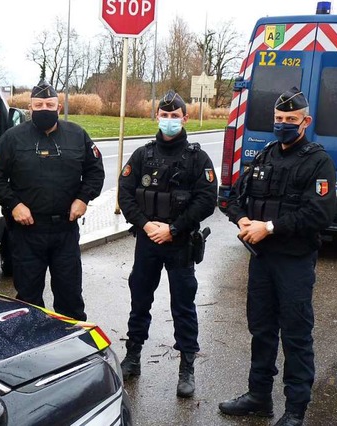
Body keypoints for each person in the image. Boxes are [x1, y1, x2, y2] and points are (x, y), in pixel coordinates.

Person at [218, 87, 336, 426]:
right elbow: (234, 196)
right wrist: (242, 219)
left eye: (290, 119)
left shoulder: (318, 161)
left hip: (294, 262)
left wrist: (268, 226)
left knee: (296, 334)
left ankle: (296, 409)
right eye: (279, 119)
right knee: (261, 329)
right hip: (262, 261)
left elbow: (319, 214)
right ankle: (259, 396)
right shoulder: (265, 155)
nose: (283, 124)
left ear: (305, 121)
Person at [117, 90, 217, 397]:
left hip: (180, 243)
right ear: (157, 116)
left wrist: (173, 228)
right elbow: (125, 193)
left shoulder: (197, 158)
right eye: (165, 115)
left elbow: (206, 200)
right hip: (148, 240)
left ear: (185, 118)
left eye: (175, 116)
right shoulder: (142, 155)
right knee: (140, 299)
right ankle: (133, 356)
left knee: (183, 305)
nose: (169, 121)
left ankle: (187, 367)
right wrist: (147, 225)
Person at [0, 79, 104, 321]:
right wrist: (14, 205)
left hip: (65, 231)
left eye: (50, 104)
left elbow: (95, 171)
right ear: (30, 109)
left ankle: (73, 351)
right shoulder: (13, 138)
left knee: (70, 299)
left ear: (58, 108)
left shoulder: (77, 135)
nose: (44, 109)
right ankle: (32, 349)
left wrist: (83, 199)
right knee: (28, 300)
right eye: (38, 104)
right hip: (27, 232)